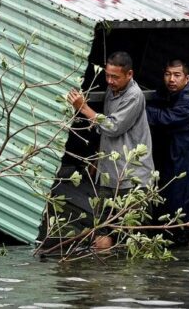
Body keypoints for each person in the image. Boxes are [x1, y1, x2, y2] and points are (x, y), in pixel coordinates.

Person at [67, 51, 155, 249]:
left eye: (115, 77)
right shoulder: (111, 91)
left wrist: (84, 108)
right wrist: (99, 157)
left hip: (133, 179)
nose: (110, 80)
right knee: (102, 232)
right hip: (109, 175)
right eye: (107, 75)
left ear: (129, 74)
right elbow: (106, 132)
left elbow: (112, 127)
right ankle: (105, 279)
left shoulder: (134, 95)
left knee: (136, 240)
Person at [146, 59, 189, 249]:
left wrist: (141, 108)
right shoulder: (167, 94)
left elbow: (167, 119)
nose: (171, 79)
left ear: (187, 78)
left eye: (177, 75)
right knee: (173, 213)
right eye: (168, 74)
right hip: (175, 164)